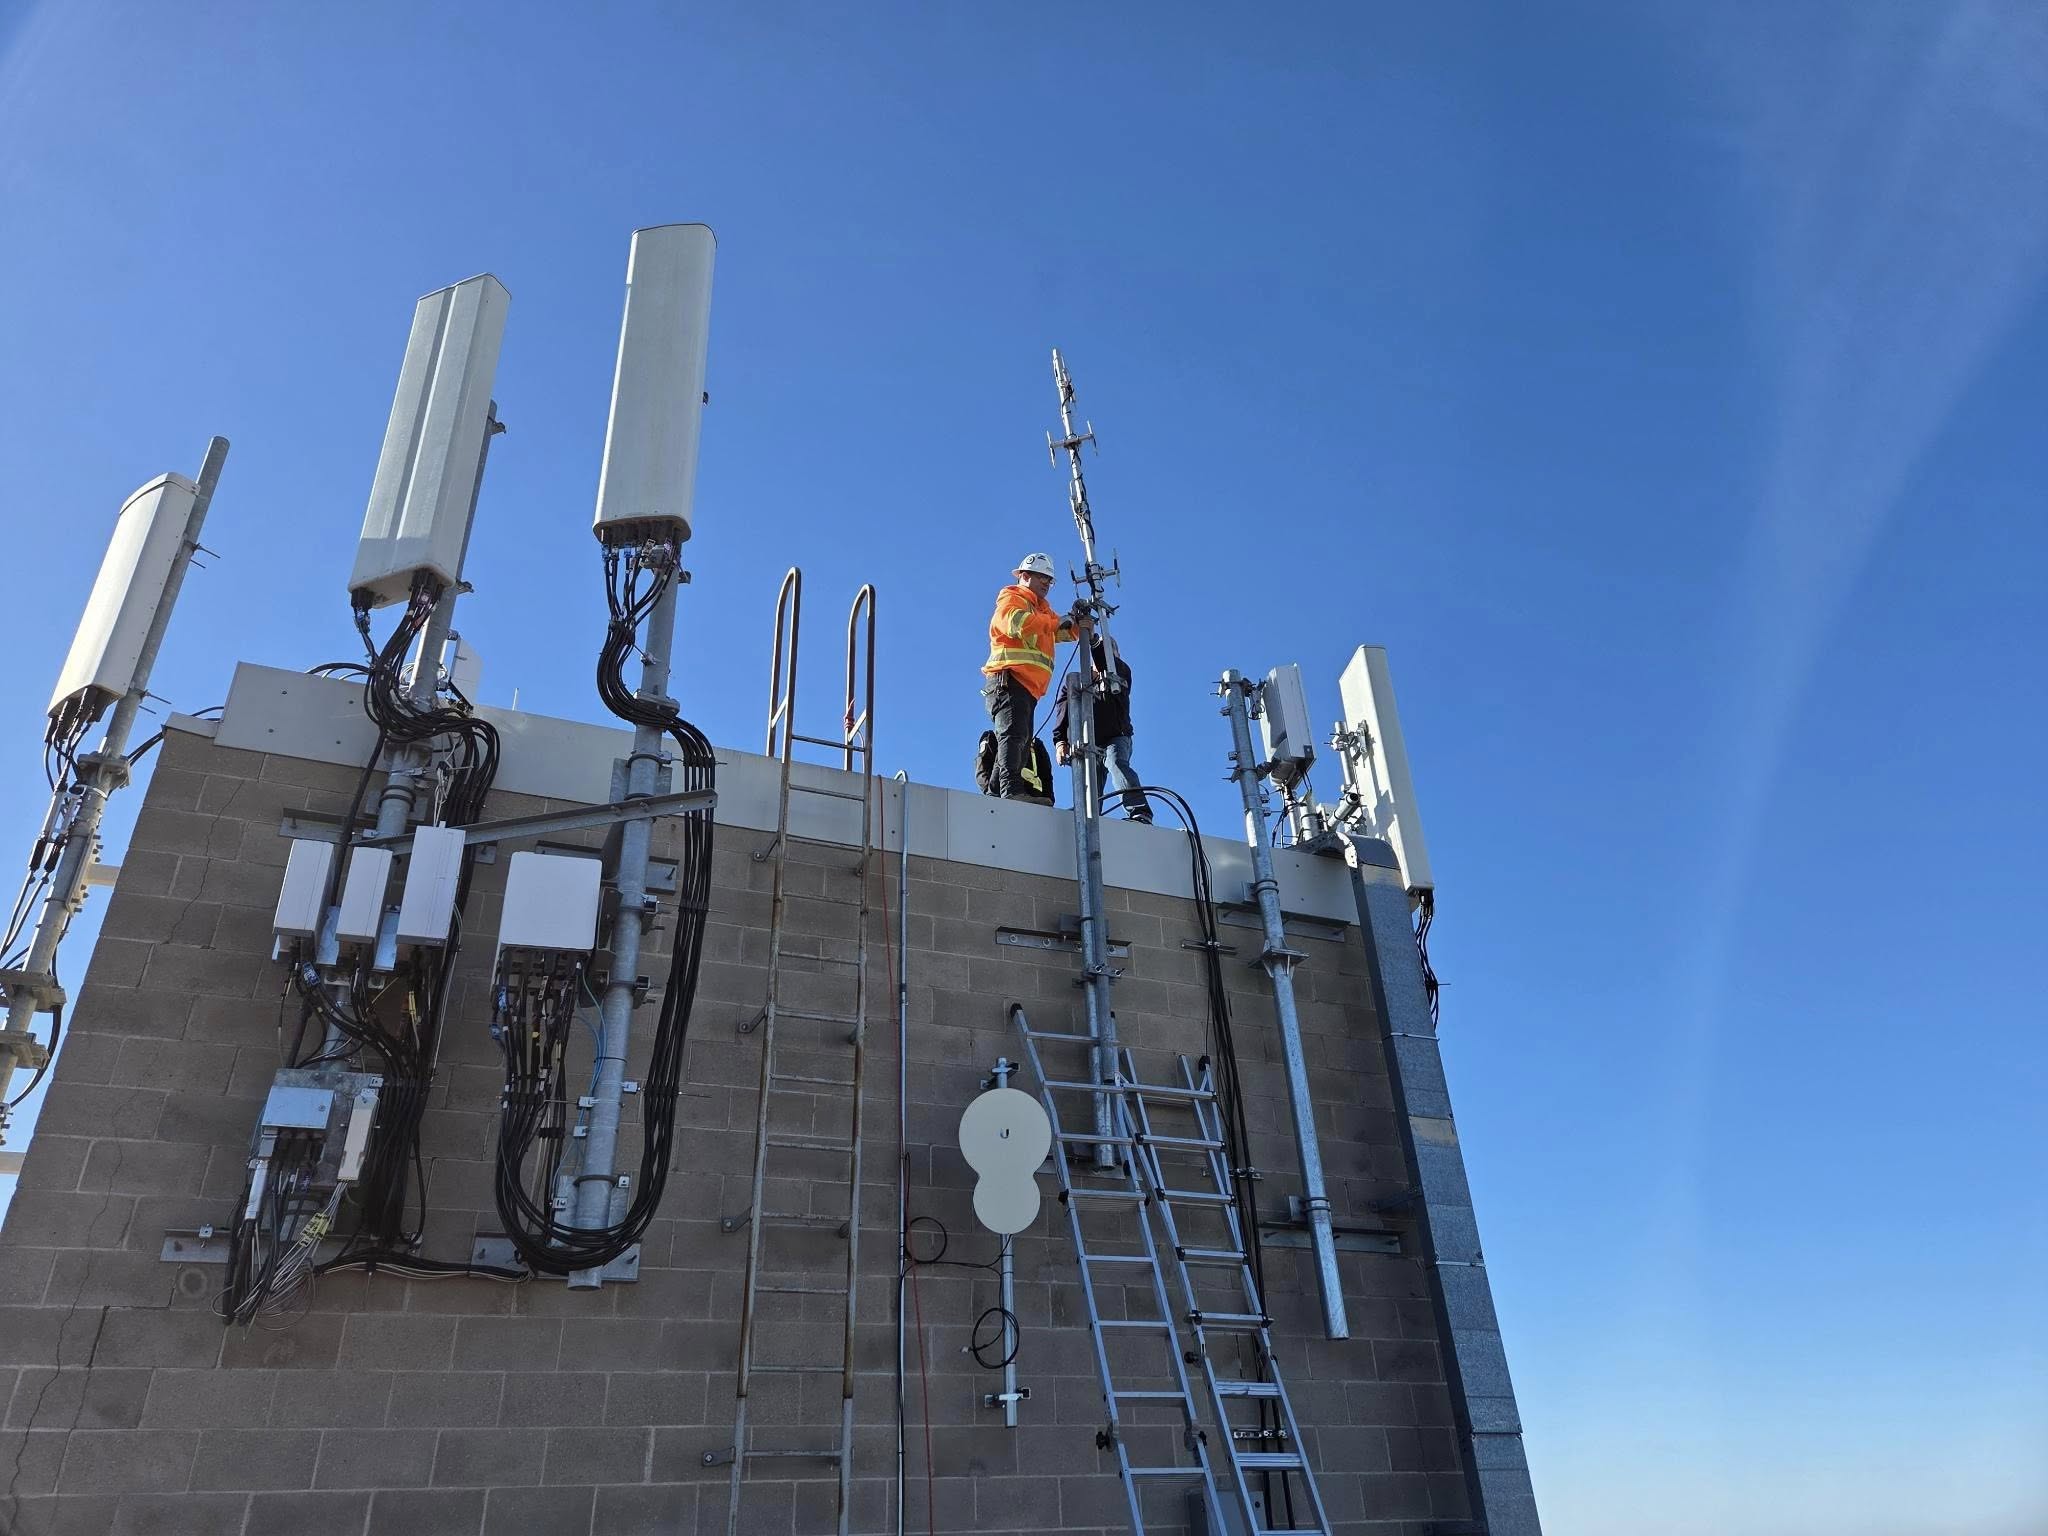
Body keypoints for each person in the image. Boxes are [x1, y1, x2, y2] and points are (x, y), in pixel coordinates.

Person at [982, 552, 1089, 801]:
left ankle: (993, 793)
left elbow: (1059, 632)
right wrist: (1057, 622)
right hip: (1008, 681)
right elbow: (1015, 623)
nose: (1046, 583)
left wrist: (1076, 622)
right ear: (1025, 576)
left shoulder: (1042, 609)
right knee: (1014, 736)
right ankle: (1011, 792)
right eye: (1042, 577)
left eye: (1049, 580)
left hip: (1026, 688)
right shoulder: (1012, 597)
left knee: (1019, 740)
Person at [1051, 636, 1154, 824]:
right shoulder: (1077, 682)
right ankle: (1089, 818)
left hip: (1116, 736)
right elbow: (1063, 709)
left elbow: (1105, 662)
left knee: (1116, 764)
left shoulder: (1120, 672)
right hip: (1090, 740)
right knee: (1090, 781)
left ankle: (1140, 812)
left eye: (1110, 653)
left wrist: (1094, 642)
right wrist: (1060, 742)